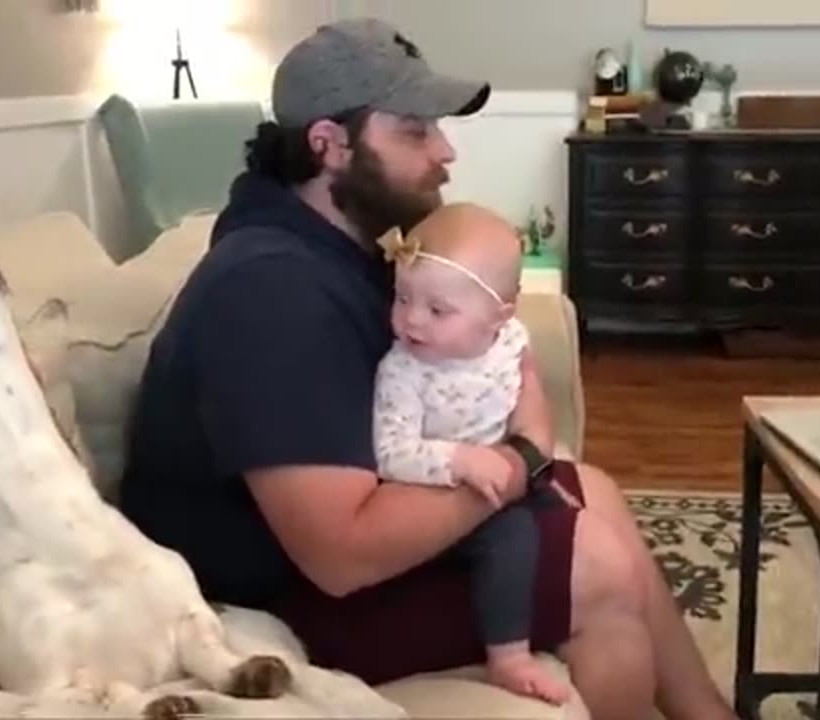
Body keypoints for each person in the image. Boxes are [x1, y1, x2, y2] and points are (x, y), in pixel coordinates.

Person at [116, 17, 736, 720]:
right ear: (329, 145)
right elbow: (339, 555)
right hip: (269, 596)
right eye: (414, 131)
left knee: (595, 494)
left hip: (321, 550)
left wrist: (524, 442)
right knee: (599, 569)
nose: (445, 151)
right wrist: (518, 459)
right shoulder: (270, 290)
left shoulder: (335, 247)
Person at [370, 203, 569, 704]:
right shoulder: (403, 372)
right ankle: (508, 655)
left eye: (438, 310)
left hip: (505, 475)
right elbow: (391, 453)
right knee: (513, 537)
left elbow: (528, 413)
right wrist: (459, 460)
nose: (412, 320)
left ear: (499, 316)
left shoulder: (510, 342)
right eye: (402, 298)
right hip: (432, 499)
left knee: (583, 517)